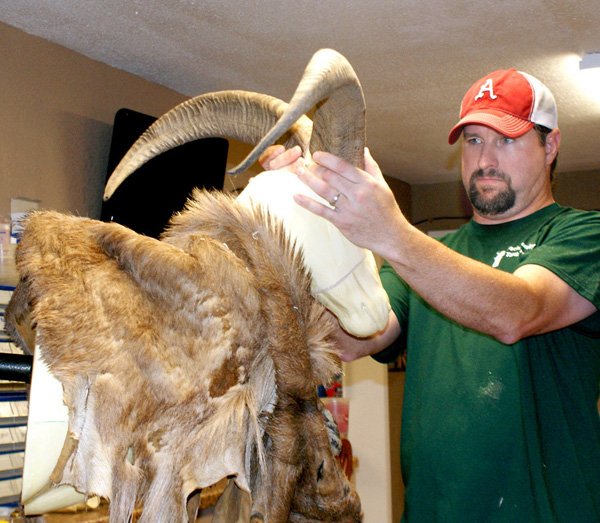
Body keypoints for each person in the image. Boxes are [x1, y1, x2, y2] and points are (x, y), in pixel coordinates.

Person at [260, 69, 600, 522]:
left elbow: (518, 311)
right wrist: (292, 213)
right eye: (474, 141)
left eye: (507, 140)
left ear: (550, 146)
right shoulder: (430, 257)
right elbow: (351, 338)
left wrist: (391, 233)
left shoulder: (582, 233)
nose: (486, 159)